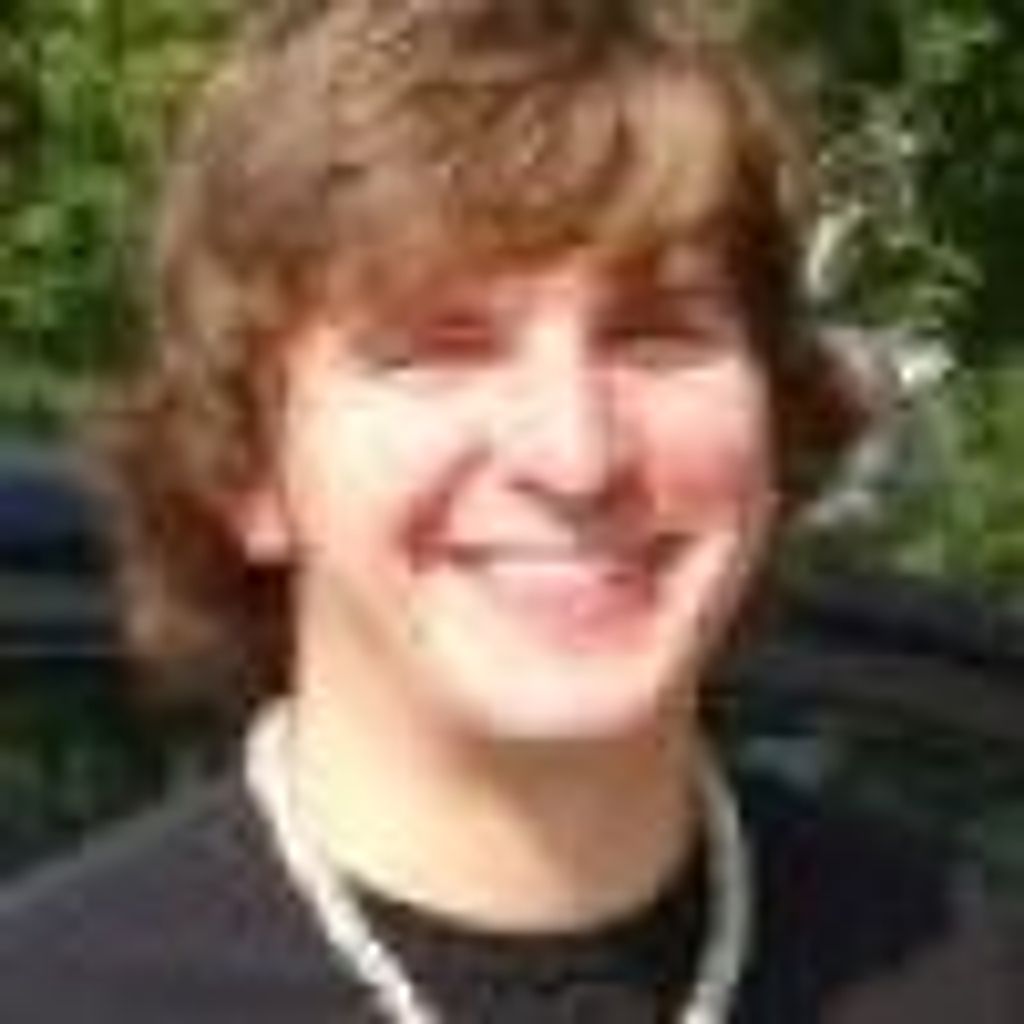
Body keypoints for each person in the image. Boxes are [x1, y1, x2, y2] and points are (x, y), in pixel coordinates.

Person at [0, 1, 1015, 1020]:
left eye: (656, 336)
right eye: (438, 351)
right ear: (248, 467)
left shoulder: (965, 971)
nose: (574, 455)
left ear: (775, 422)